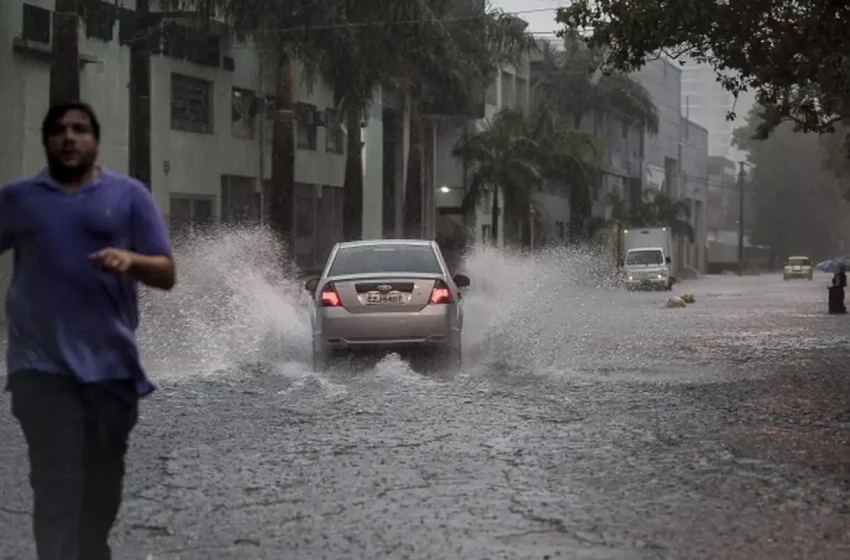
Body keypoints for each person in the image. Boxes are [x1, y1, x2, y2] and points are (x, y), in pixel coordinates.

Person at [1, 102, 176, 560]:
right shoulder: (18, 199)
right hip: (39, 369)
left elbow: (166, 273)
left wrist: (130, 260)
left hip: (111, 370)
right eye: (59, 130)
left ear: (95, 140)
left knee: (101, 490)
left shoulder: (129, 195)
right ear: (46, 141)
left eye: (79, 129)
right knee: (55, 483)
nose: (69, 137)